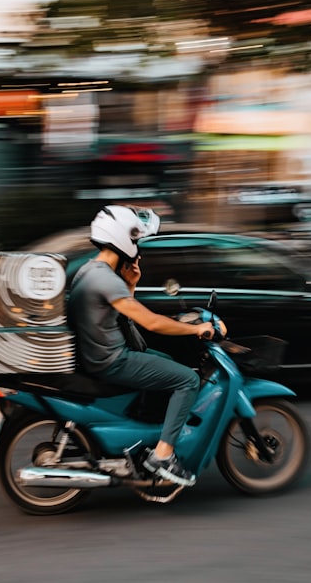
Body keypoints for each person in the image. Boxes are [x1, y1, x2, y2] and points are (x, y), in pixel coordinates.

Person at [67, 205, 218, 487]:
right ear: (121, 238)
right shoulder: (105, 278)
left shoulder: (90, 270)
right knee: (187, 379)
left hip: (99, 355)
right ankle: (163, 456)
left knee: (165, 359)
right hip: (113, 360)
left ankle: (151, 432)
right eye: (135, 240)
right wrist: (196, 328)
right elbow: (151, 323)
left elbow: (119, 315)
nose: (137, 247)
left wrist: (132, 284)